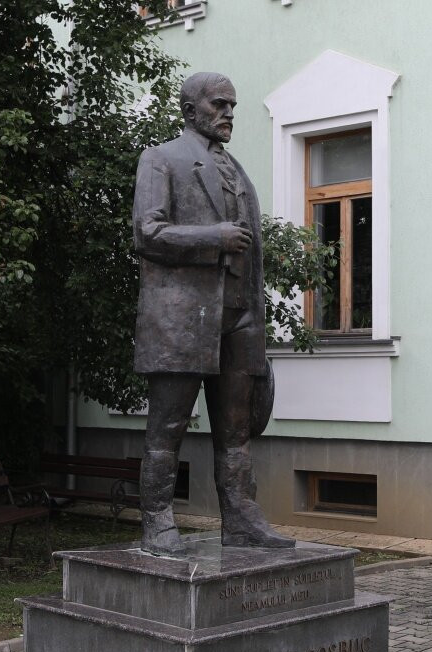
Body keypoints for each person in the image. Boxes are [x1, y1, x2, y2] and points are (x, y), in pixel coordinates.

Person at [132, 72, 294, 556]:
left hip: (239, 317)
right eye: (219, 104)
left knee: (237, 433)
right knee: (167, 429)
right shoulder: (161, 159)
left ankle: (242, 519)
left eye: (233, 105)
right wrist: (213, 238)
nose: (228, 113)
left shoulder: (237, 170)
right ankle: (157, 522)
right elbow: (148, 233)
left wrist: (258, 330)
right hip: (183, 319)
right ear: (191, 109)